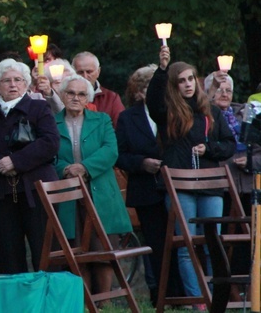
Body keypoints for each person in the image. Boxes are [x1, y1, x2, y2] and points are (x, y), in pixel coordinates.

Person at [145, 46, 236, 303]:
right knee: (187, 245)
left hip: (210, 185)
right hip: (180, 185)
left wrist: (209, 147)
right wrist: (162, 70)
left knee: (213, 245)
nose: (187, 85)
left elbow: (228, 144)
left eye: (190, 79)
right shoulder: (167, 113)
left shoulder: (212, 111)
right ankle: (197, 301)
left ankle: (215, 300)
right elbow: (153, 101)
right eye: (181, 81)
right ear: (174, 85)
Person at [0, 59, 60, 274]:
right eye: (6, 80)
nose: (12, 84)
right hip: (0, 193)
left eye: (18, 80)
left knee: (44, 250)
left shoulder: (39, 108)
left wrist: (16, 162)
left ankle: (47, 302)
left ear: (26, 83)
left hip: (36, 189)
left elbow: (50, 143)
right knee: (7, 253)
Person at [55, 75, 132, 297]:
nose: (75, 98)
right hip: (68, 193)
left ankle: (105, 303)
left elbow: (111, 150)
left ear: (88, 97)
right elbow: (48, 155)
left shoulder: (102, 120)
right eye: (70, 93)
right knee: (76, 250)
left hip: (99, 191)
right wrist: (65, 169)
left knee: (103, 248)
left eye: (81, 94)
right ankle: (86, 301)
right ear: (62, 95)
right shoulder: (51, 122)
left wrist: (85, 167)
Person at [116, 64, 182, 304]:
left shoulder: (177, 112)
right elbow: (119, 154)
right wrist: (142, 163)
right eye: (146, 86)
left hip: (177, 187)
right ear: (138, 91)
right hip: (146, 189)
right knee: (156, 244)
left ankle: (185, 294)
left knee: (182, 242)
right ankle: (162, 297)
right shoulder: (127, 117)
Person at [204, 71, 261, 277]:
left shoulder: (249, 113)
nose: (225, 94)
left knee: (250, 240)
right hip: (219, 186)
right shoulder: (204, 116)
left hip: (248, 185)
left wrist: (250, 161)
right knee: (222, 239)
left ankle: (247, 286)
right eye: (220, 89)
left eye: (229, 90)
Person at [72, 51, 125, 128]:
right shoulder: (65, 97)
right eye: (80, 72)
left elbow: (122, 128)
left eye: (89, 72)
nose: (85, 76)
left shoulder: (111, 98)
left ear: (98, 72)